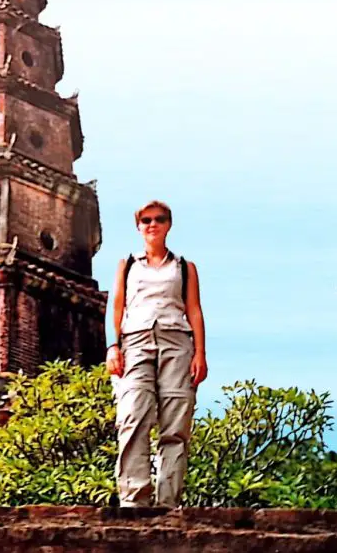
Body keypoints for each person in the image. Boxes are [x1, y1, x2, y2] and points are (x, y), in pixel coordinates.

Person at [106, 200, 208, 508]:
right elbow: (117, 307)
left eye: (159, 219)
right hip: (135, 340)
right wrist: (113, 345)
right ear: (139, 226)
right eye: (146, 220)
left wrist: (200, 353)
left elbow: (194, 309)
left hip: (177, 341)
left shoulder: (184, 267)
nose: (153, 225)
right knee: (133, 415)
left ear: (168, 224)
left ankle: (167, 502)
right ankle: (134, 499)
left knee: (175, 423)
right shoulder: (128, 265)